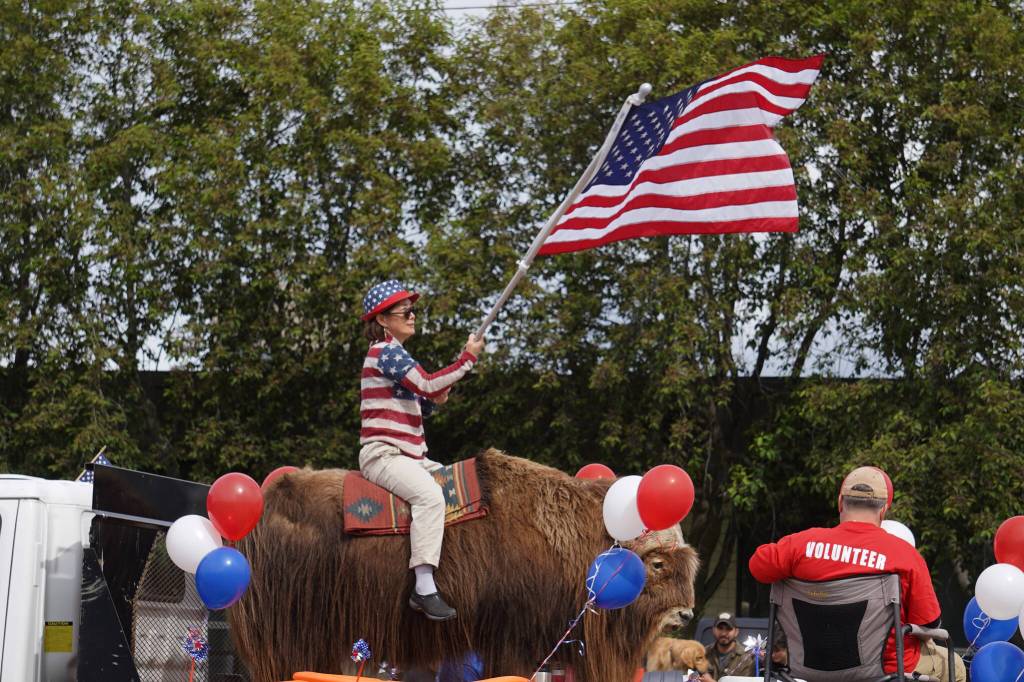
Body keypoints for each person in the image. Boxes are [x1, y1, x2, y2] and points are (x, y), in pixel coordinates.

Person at [358, 279, 485, 621]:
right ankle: (424, 586)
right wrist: (467, 359)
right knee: (430, 498)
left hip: (412, 456)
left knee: (455, 485)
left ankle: (448, 569)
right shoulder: (385, 353)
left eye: (414, 311)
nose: (413, 316)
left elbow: (428, 397)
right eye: (406, 311)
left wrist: (438, 394)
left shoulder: (397, 357)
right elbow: (428, 383)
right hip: (384, 454)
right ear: (383, 320)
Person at [748, 466, 941, 675]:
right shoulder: (905, 555)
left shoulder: (799, 546)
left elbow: (757, 566)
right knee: (955, 665)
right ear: (884, 509)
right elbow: (929, 623)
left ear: (840, 502)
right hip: (885, 673)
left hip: (807, 671)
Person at [703, 612, 754, 679]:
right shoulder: (703, 653)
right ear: (713, 630)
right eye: (720, 628)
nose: (723, 633)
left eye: (728, 629)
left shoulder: (746, 657)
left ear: (736, 632)